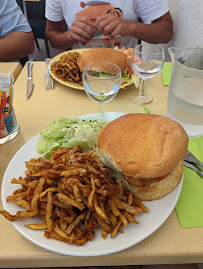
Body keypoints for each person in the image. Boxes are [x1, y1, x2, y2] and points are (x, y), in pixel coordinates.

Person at [45, 0, 173, 50]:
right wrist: (69, 36)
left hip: (125, 71)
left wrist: (131, 27)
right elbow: (53, 37)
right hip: (79, 69)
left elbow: (166, 33)